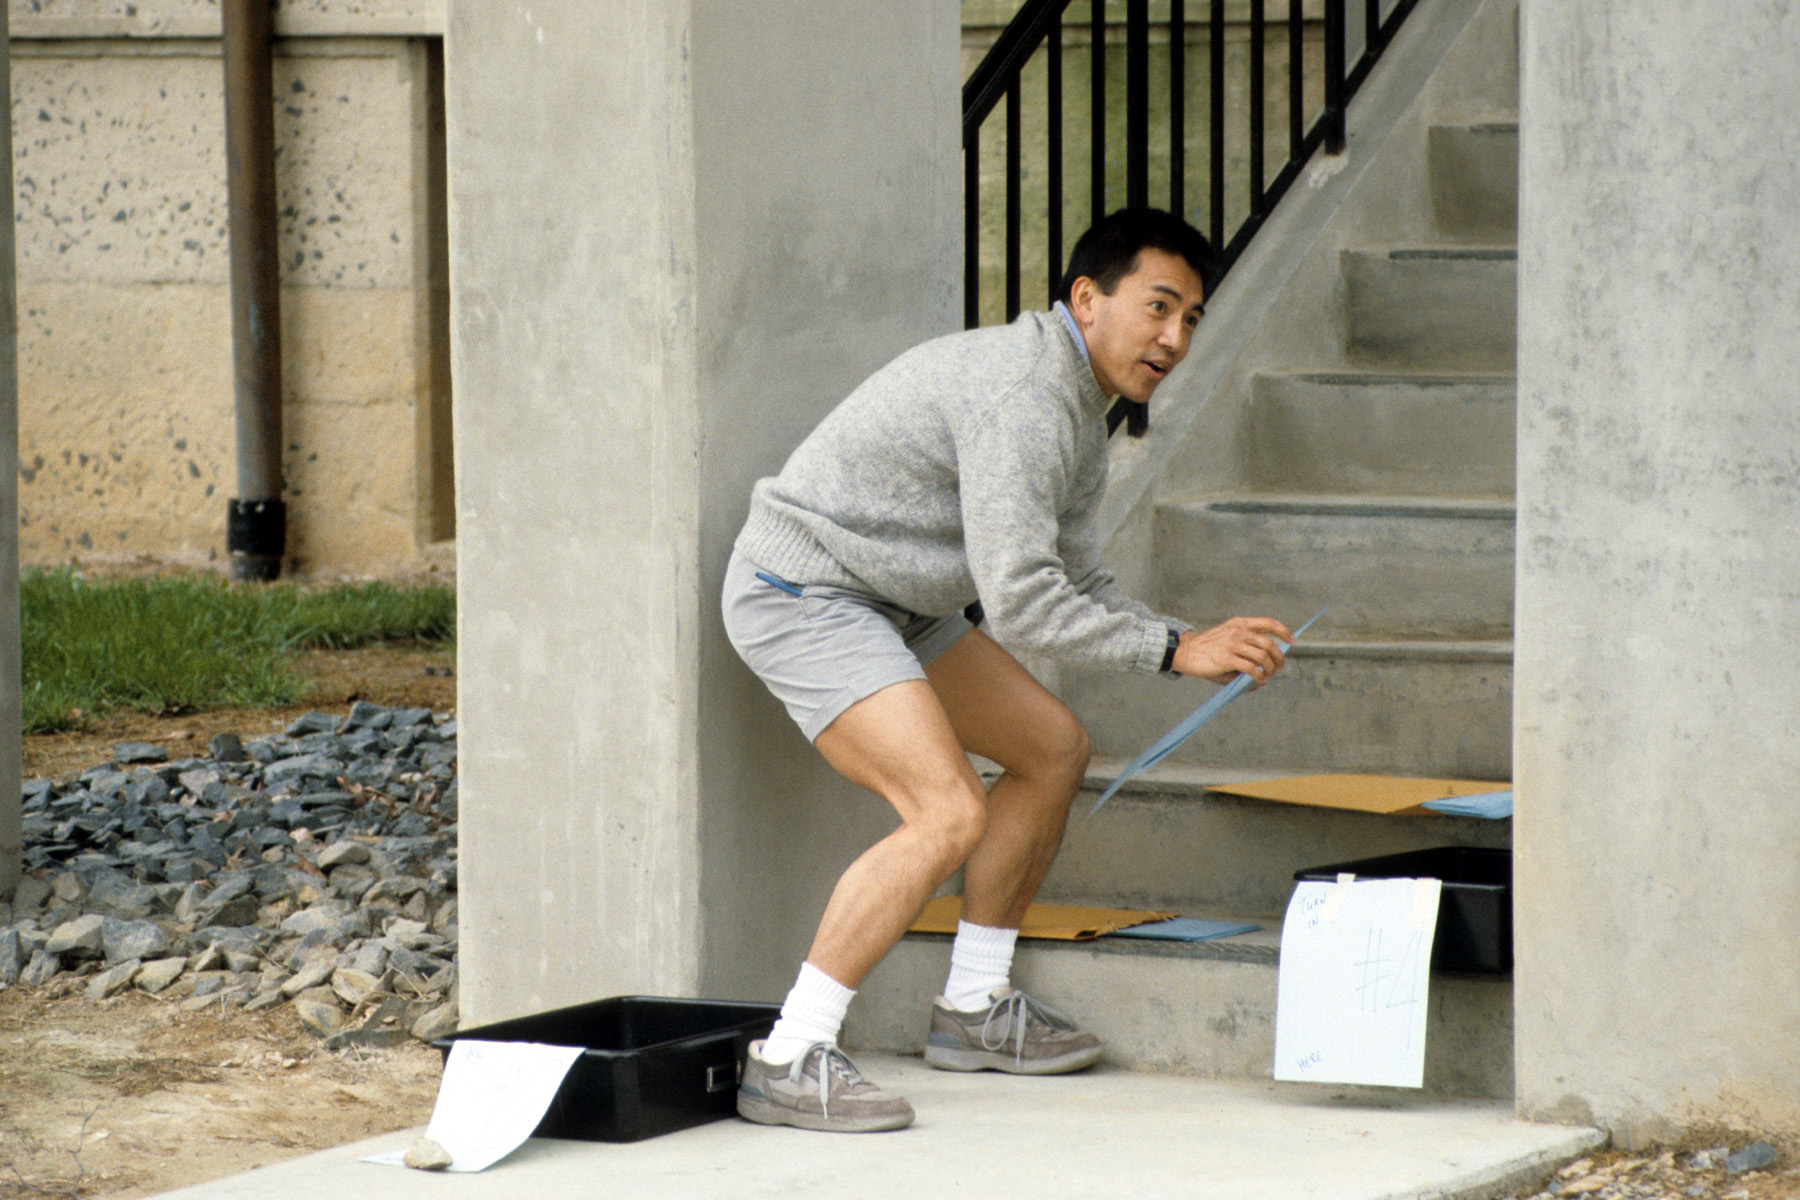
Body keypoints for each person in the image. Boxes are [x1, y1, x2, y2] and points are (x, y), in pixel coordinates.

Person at [722, 208, 1294, 1133]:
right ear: (1086, 298)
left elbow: (1077, 577)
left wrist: (1188, 636)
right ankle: (788, 1053)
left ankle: (974, 1005)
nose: (1175, 339)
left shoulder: (1078, 404)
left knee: (1052, 749)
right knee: (946, 810)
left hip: (898, 602)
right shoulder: (1025, 393)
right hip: (806, 591)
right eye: (1158, 307)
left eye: (1191, 318)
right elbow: (1023, 603)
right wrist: (1170, 652)